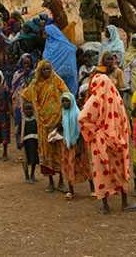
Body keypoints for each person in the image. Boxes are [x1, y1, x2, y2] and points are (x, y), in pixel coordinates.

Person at [78, 73, 136, 214]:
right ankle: (125, 203)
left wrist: (96, 131)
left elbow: (82, 117)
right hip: (118, 141)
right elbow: (124, 120)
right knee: (121, 170)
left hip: (101, 143)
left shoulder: (95, 99)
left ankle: (105, 206)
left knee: (102, 172)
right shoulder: (117, 98)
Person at [21, 60, 69, 192]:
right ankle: (50, 181)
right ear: (39, 71)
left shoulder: (57, 80)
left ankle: (61, 181)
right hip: (43, 125)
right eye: (44, 70)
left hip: (58, 123)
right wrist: (34, 111)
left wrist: (63, 115)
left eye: (48, 69)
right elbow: (25, 96)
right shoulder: (35, 85)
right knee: (46, 151)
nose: (47, 72)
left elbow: (67, 95)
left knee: (59, 151)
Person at [59, 91, 93, 199]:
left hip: (78, 144)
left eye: (67, 101)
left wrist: (79, 148)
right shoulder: (64, 114)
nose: (65, 104)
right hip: (68, 145)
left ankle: (92, 188)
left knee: (84, 166)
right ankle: (71, 190)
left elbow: (82, 132)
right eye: (63, 102)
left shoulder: (77, 114)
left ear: (72, 102)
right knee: (69, 166)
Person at [19, 101, 39, 183]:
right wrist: (19, 142)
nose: (28, 111)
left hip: (35, 142)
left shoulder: (36, 119)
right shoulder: (23, 121)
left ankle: (32, 174)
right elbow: (19, 132)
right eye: (26, 109)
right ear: (23, 111)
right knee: (25, 160)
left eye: (30, 109)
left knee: (34, 159)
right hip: (26, 143)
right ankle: (27, 176)